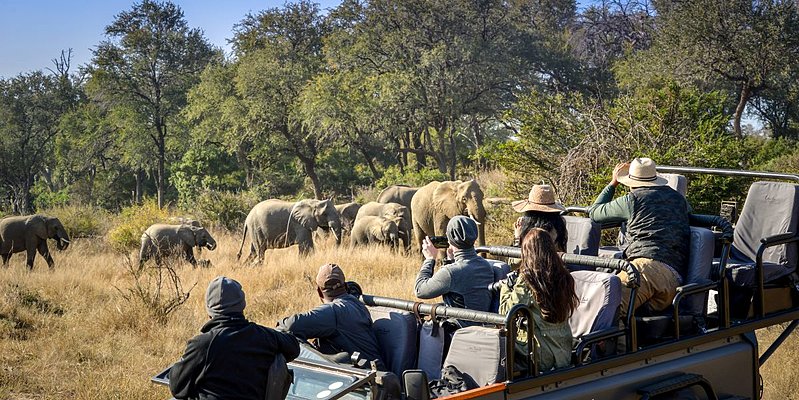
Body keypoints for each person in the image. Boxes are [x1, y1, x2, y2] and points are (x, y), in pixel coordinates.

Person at [169, 276, 300, 400]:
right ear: (242, 305)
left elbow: (177, 387)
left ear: (209, 310)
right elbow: (293, 347)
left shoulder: (203, 344)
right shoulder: (265, 336)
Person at [589, 158, 691, 316]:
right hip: (674, 278)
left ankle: (611, 341)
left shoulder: (632, 200)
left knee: (607, 306)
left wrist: (613, 184)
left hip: (646, 269)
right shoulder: (678, 198)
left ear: (630, 182)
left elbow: (594, 213)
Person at [278, 263, 385, 370]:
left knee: (288, 337)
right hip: (373, 373)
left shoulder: (334, 311)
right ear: (346, 286)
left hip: (366, 380)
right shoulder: (357, 304)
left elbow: (289, 326)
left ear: (319, 292)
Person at [499, 228, 578, 372]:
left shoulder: (528, 280)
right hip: (563, 352)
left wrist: (507, 287)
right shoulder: (565, 277)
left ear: (527, 252)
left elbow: (506, 312)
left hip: (539, 356)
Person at [415, 215, 495, 327]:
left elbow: (420, 290)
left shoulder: (451, 272)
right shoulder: (485, 265)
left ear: (450, 238)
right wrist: (450, 261)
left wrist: (429, 259)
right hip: (480, 328)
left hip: (458, 331)